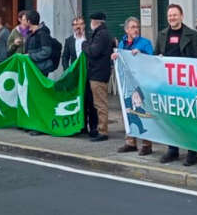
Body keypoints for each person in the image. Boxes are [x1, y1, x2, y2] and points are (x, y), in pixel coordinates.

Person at [154, 4, 197, 165]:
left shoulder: (193, 35)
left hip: (187, 84)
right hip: (168, 84)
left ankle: (192, 152)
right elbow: (155, 56)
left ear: (181, 16)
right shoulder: (162, 35)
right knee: (171, 118)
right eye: (169, 16)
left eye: (175, 15)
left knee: (189, 118)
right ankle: (172, 149)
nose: (172, 18)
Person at [114, 17, 153, 154]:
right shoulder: (122, 44)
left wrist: (141, 54)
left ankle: (147, 144)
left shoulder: (145, 43)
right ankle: (130, 142)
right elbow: (121, 59)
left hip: (140, 85)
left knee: (142, 111)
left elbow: (151, 60)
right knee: (128, 111)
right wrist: (115, 57)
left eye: (137, 27)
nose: (135, 29)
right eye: (132, 27)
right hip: (127, 85)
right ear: (126, 30)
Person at [63, 16, 97, 138]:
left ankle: (93, 127)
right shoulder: (69, 41)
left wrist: (84, 39)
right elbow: (65, 57)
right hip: (76, 75)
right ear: (72, 27)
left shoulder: (90, 38)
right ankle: (81, 126)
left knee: (91, 101)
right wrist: (67, 70)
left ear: (84, 25)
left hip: (89, 74)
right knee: (79, 101)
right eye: (75, 25)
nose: (78, 27)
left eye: (80, 24)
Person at [82, 12, 114, 142]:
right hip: (97, 72)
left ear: (95, 22)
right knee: (97, 103)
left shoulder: (101, 35)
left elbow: (93, 52)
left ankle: (103, 131)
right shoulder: (102, 33)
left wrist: (84, 45)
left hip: (98, 74)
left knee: (100, 104)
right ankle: (100, 129)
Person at [23, 10, 55, 76]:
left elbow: (46, 52)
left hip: (41, 69)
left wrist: (30, 56)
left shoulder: (43, 33)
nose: (22, 22)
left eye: (24, 20)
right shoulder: (30, 33)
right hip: (33, 67)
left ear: (29, 21)